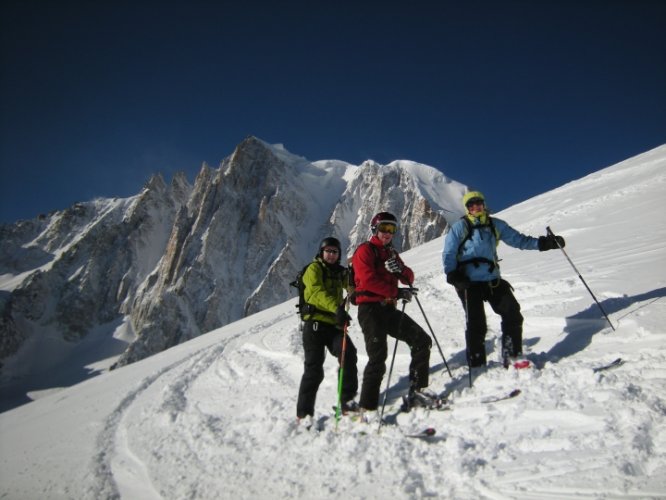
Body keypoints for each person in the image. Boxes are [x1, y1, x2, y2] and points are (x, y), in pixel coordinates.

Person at [442, 191, 565, 368]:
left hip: (492, 280)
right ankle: (476, 364)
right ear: (467, 208)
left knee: (512, 313)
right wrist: (452, 274)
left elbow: (519, 240)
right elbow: (449, 253)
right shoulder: (460, 227)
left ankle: (512, 354)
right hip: (468, 282)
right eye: (471, 204)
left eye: (478, 203)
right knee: (477, 324)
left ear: (484, 205)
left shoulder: (495, 225)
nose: (475, 207)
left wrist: (544, 244)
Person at [351, 212, 435, 415]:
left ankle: (418, 390)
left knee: (422, 341)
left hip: (388, 308)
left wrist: (400, 271)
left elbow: (409, 277)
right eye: (384, 229)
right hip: (370, 310)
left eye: (392, 229)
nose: (387, 233)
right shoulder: (365, 251)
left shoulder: (391, 254)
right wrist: (396, 291)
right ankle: (367, 406)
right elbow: (368, 280)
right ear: (374, 229)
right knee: (378, 356)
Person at [296, 237, 358, 424]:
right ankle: (303, 414)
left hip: (334, 325)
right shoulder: (313, 269)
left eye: (335, 252)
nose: (331, 255)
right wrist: (337, 309)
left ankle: (346, 401)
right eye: (328, 251)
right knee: (314, 369)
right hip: (315, 325)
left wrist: (355, 282)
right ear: (321, 253)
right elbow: (315, 293)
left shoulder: (339, 273)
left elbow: (353, 285)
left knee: (348, 354)